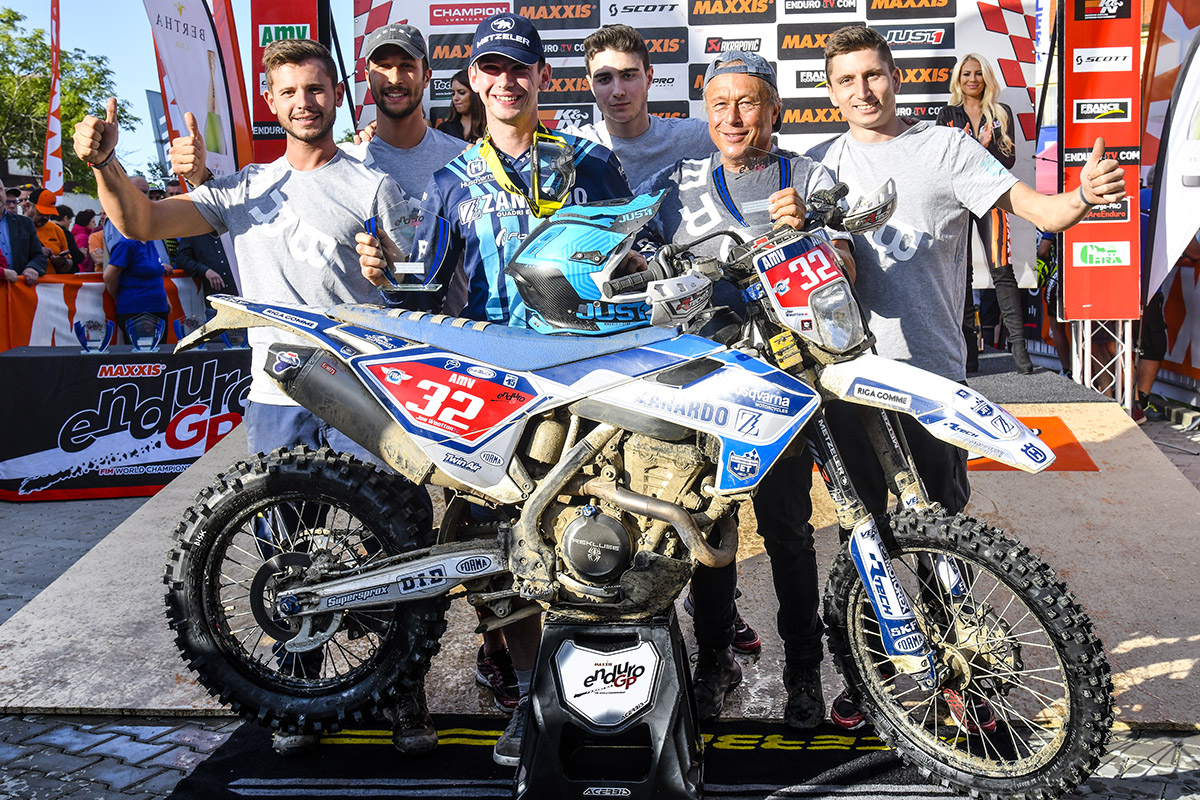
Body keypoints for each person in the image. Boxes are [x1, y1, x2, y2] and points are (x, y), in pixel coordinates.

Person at [74, 37, 437, 758]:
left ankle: (404, 692)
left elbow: (415, 285)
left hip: (367, 392)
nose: (305, 102)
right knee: (285, 552)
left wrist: (390, 268)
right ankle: (299, 688)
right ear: (271, 102)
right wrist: (105, 165)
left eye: (316, 88)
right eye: (290, 91)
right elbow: (142, 222)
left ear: (337, 94)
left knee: (393, 543)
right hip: (278, 395)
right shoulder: (242, 189)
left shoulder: (373, 185)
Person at [816, 24, 1125, 726]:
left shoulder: (946, 147)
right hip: (847, 381)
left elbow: (1039, 210)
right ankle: (870, 678)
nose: (863, 91)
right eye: (846, 81)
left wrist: (1080, 197)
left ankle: (966, 676)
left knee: (942, 532)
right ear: (830, 93)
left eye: (873, 74)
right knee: (862, 538)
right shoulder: (819, 167)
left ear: (894, 77)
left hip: (931, 379)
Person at [356, 12, 634, 765]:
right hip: (491, 390)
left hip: (584, 381)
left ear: (542, 77)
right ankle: (532, 696)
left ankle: (596, 694)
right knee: (498, 547)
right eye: (492, 69)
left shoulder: (589, 162)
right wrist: (385, 275)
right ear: (474, 81)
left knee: (596, 539)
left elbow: (635, 264)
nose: (507, 82)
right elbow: (423, 291)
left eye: (520, 68)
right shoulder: (450, 181)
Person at [636, 50, 854, 730]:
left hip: (786, 384)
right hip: (706, 387)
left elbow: (850, 269)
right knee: (710, 534)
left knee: (789, 534)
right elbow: (633, 260)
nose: (733, 118)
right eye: (719, 104)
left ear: (775, 109)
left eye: (748, 102)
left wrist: (809, 234)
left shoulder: (808, 177)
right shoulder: (677, 183)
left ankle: (803, 673)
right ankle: (714, 664)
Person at [937, 53, 1031, 374]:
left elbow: (1008, 162)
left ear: (987, 78)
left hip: (992, 197)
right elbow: (943, 165)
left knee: (1002, 270)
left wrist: (981, 146)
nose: (972, 79)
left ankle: (1019, 350)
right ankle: (968, 352)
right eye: (966, 74)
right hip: (958, 202)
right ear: (958, 79)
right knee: (961, 274)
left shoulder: (1001, 113)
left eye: (978, 73)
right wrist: (976, 144)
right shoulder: (948, 114)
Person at [566, 24, 717, 182]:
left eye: (628, 76)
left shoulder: (697, 138)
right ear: (591, 85)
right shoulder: (569, 147)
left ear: (649, 78)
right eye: (604, 79)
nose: (618, 91)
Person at [338, 24, 465, 201]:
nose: (395, 79)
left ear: (426, 77)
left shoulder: (462, 159)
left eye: (406, 65)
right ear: (367, 78)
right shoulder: (347, 163)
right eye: (383, 66)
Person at [102, 178, 171, 342]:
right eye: (140, 192)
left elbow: (155, 272)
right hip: (136, 309)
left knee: (160, 354)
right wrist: (121, 296)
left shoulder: (150, 240)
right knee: (143, 354)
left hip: (158, 307)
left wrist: (165, 299)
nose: (144, 198)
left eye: (145, 192)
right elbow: (109, 276)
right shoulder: (127, 243)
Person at [0, 179, 48, 286]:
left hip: (19, 290)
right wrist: (3, 274)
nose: (12, 206)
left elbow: (39, 255)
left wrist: (32, 267)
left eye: (0, 189)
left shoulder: (25, 223)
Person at [176, 231, 237, 298]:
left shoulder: (231, 230)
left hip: (238, 291)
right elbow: (182, 260)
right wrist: (205, 271)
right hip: (214, 294)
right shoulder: (192, 233)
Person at [30, 190, 75, 274]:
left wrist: (63, 262)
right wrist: (36, 252)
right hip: (23, 280)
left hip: (51, 281)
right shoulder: (16, 227)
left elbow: (69, 262)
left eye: (49, 214)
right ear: (28, 207)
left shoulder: (56, 230)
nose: (45, 217)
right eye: (41, 213)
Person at [439, 69, 486, 142]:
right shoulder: (444, 129)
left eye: (461, 92)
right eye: (453, 93)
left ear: (475, 94)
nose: (455, 98)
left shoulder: (490, 128)